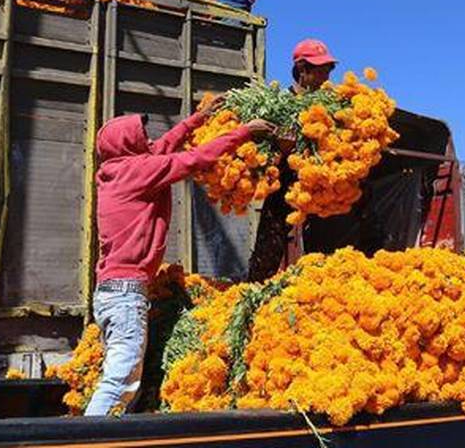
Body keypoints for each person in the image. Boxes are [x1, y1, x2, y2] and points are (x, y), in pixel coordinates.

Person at [86, 100, 274, 417]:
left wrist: (197, 120)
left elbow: (162, 148)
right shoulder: (137, 171)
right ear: (127, 145)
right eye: (141, 138)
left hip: (109, 292)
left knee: (122, 377)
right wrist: (243, 133)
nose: (148, 142)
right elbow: (194, 159)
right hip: (126, 295)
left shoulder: (118, 171)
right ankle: (83, 440)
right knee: (119, 382)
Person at [246, 40, 338, 282]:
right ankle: (254, 297)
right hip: (284, 191)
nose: (324, 76)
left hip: (322, 192)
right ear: (301, 69)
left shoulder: (332, 106)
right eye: (319, 70)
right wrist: (282, 150)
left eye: (328, 70)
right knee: (267, 255)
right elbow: (260, 164)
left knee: (326, 255)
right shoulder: (279, 106)